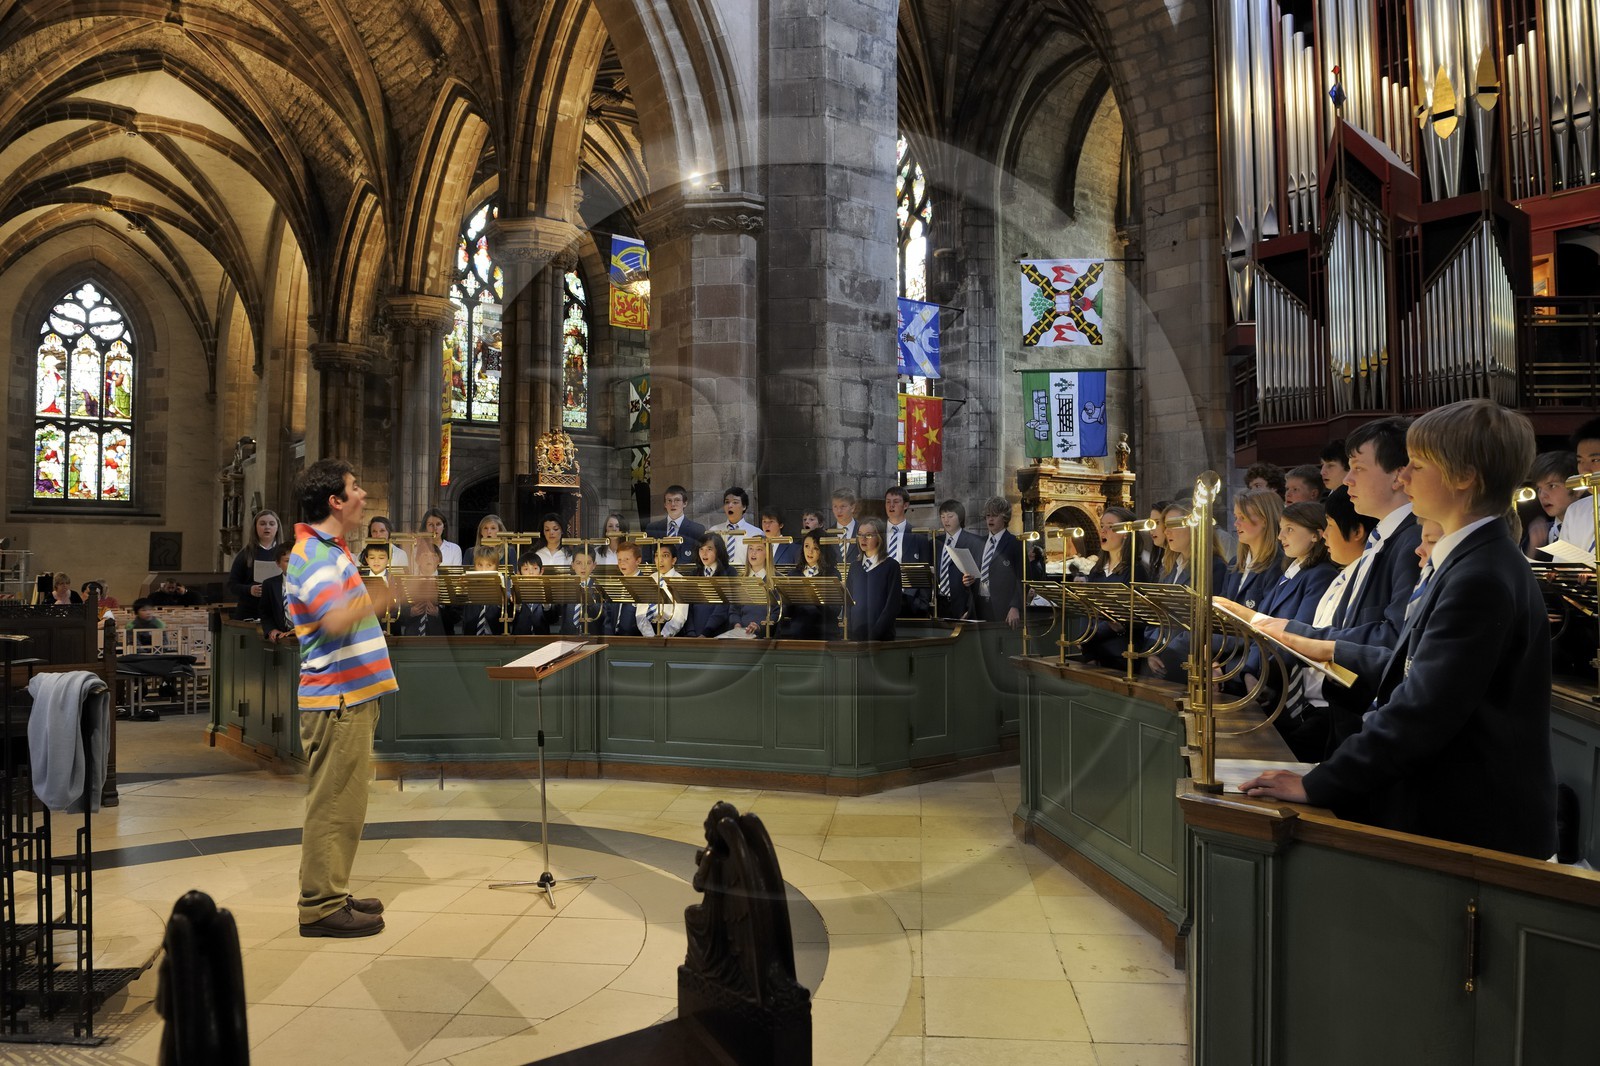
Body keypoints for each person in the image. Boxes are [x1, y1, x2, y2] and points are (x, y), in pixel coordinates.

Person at [1242, 400, 1556, 860]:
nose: (1403, 478)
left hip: (1470, 826)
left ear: (1464, 476)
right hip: (1455, 812)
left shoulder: (1480, 576)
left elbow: (1422, 710)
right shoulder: (1472, 561)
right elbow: (1412, 671)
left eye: (1417, 465)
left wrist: (1320, 781)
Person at [285, 457, 396, 937]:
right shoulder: (312, 554)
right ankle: (321, 906)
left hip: (350, 697)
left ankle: (332, 886)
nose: (363, 495)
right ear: (335, 500)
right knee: (333, 803)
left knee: (346, 803)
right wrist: (388, 595)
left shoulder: (331, 550)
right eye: (355, 488)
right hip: (338, 699)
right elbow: (333, 619)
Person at [1078, 507, 1153, 670]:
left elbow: (1123, 622)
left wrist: (1088, 636)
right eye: (1102, 525)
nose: (1103, 531)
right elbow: (1088, 612)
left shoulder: (1135, 570)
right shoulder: (1096, 571)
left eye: (1110, 526)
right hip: (1094, 655)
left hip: (1121, 657)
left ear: (1126, 532)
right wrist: (1087, 651)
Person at [972, 496, 1024, 628]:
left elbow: (1022, 578)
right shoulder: (979, 543)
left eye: (995, 515)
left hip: (1003, 608)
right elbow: (978, 572)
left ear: (1005, 517)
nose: (990, 519)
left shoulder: (1015, 543)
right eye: (988, 515)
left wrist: (1015, 606)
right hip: (979, 605)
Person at [845, 517, 900, 641]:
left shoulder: (891, 566)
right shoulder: (854, 567)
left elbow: (892, 605)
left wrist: (876, 634)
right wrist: (848, 631)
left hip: (881, 637)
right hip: (856, 636)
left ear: (879, 538)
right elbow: (847, 602)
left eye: (869, 535)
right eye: (860, 535)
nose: (863, 539)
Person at [780, 530, 840, 639]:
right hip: (797, 632)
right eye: (807, 546)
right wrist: (786, 599)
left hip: (825, 632)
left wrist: (815, 598)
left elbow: (835, 611)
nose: (810, 551)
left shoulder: (832, 574)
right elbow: (788, 612)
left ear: (823, 550)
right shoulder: (793, 574)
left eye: (815, 548)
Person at [882, 486, 932, 616]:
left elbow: (925, 572)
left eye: (896, 501)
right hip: (880, 597)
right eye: (888, 501)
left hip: (908, 600)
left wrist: (922, 603)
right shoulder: (877, 533)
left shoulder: (918, 536)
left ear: (905, 505)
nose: (891, 505)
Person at [228, 509, 284, 620]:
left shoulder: (286, 554)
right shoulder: (245, 554)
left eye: (271, 524)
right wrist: (250, 589)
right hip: (249, 612)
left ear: (277, 528)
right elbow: (232, 585)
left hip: (277, 613)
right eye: (262, 524)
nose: (267, 527)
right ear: (255, 528)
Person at [1555, 416, 1600, 554]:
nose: (1585, 470)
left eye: (1595, 459)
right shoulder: (1576, 511)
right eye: (1580, 461)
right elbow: (1563, 561)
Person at [934, 499, 980, 619]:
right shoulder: (935, 542)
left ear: (960, 518)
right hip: (939, 604)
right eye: (942, 517)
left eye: (950, 516)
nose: (946, 520)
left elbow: (978, 578)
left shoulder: (973, 542)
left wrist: (970, 609)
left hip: (962, 604)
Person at [681, 532, 733, 637]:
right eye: (701, 549)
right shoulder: (694, 574)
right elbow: (688, 607)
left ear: (718, 551)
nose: (704, 553)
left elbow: (722, 609)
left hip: (717, 635)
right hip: (693, 635)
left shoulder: (729, 573)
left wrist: (706, 632)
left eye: (709, 549)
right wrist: (691, 632)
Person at [644, 485, 705, 569]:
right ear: (665, 504)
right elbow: (646, 559)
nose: (673, 504)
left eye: (677, 500)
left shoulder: (697, 530)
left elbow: (700, 561)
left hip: (687, 578)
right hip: (659, 577)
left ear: (685, 503)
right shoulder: (652, 529)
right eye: (669, 500)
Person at [726, 537, 776, 637]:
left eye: (759, 549)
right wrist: (737, 625)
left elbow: (778, 613)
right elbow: (733, 610)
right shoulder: (740, 580)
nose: (753, 553)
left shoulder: (775, 581)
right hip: (741, 637)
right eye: (751, 548)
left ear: (767, 553)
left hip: (765, 637)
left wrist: (759, 626)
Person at [1532, 451, 1581, 545]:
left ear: (1577, 489)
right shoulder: (1536, 535)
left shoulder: (1593, 530)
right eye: (1539, 488)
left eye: (1552, 486)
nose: (1542, 495)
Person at [641, 542, 689, 636]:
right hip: (648, 632)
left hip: (670, 633)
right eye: (656, 556)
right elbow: (641, 613)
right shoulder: (649, 579)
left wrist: (663, 636)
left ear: (673, 560)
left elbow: (680, 616)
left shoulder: (681, 581)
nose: (660, 560)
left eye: (665, 556)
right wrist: (649, 635)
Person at [459, 545, 508, 636]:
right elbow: (458, 616)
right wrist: (460, 592)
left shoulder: (503, 585)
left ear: (496, 567)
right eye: (480, 565)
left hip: (497, 638)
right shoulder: (468, 585)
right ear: (474, 566)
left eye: (489, 565)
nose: (484, 569)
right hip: (471, 638)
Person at [714, 486, 763, 566]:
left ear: (744, 506)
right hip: (720, 575)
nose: (730, 505)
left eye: (735, 502)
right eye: (727, 502)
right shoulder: (714, 531)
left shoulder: (755, 533)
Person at [559, 551, 605, 636]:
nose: (583, 567)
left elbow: (604, 616)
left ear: (594, 565)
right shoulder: (565, 586)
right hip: (567, 637)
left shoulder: (600, 587)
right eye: (578, 563)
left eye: (588, 563)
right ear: (573, 565)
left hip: (593, 637)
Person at [603, 542, 644, 637]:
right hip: (613, 638)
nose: (622, 563)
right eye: (619, 559)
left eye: (627, 559)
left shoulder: (645, 585)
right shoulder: (615, 584)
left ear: (638, 561)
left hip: (636, 638)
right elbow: (607, 613)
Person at [260, 543, 295, 643]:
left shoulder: (310, 583)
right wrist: (271, 629)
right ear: (278, 563)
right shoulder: (270, 584)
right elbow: (265, 613)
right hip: (282, 637)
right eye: (287, 561)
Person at [511, 553, 552, 635]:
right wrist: (516, 605)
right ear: (519, 573)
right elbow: (510, 619)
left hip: (542, 638)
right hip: (519, 639)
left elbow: (553, 619)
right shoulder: (515, 591)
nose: (531, 573)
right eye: (526, 569)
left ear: (541, 571)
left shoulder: (547, 591)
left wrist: (547, 605)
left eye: (535, 568)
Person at [830, 489, 860, 563]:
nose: (839, 511)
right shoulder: (827, 533)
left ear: (852, 508)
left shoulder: (862, 530)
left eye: (843, 506)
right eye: (835, 507)